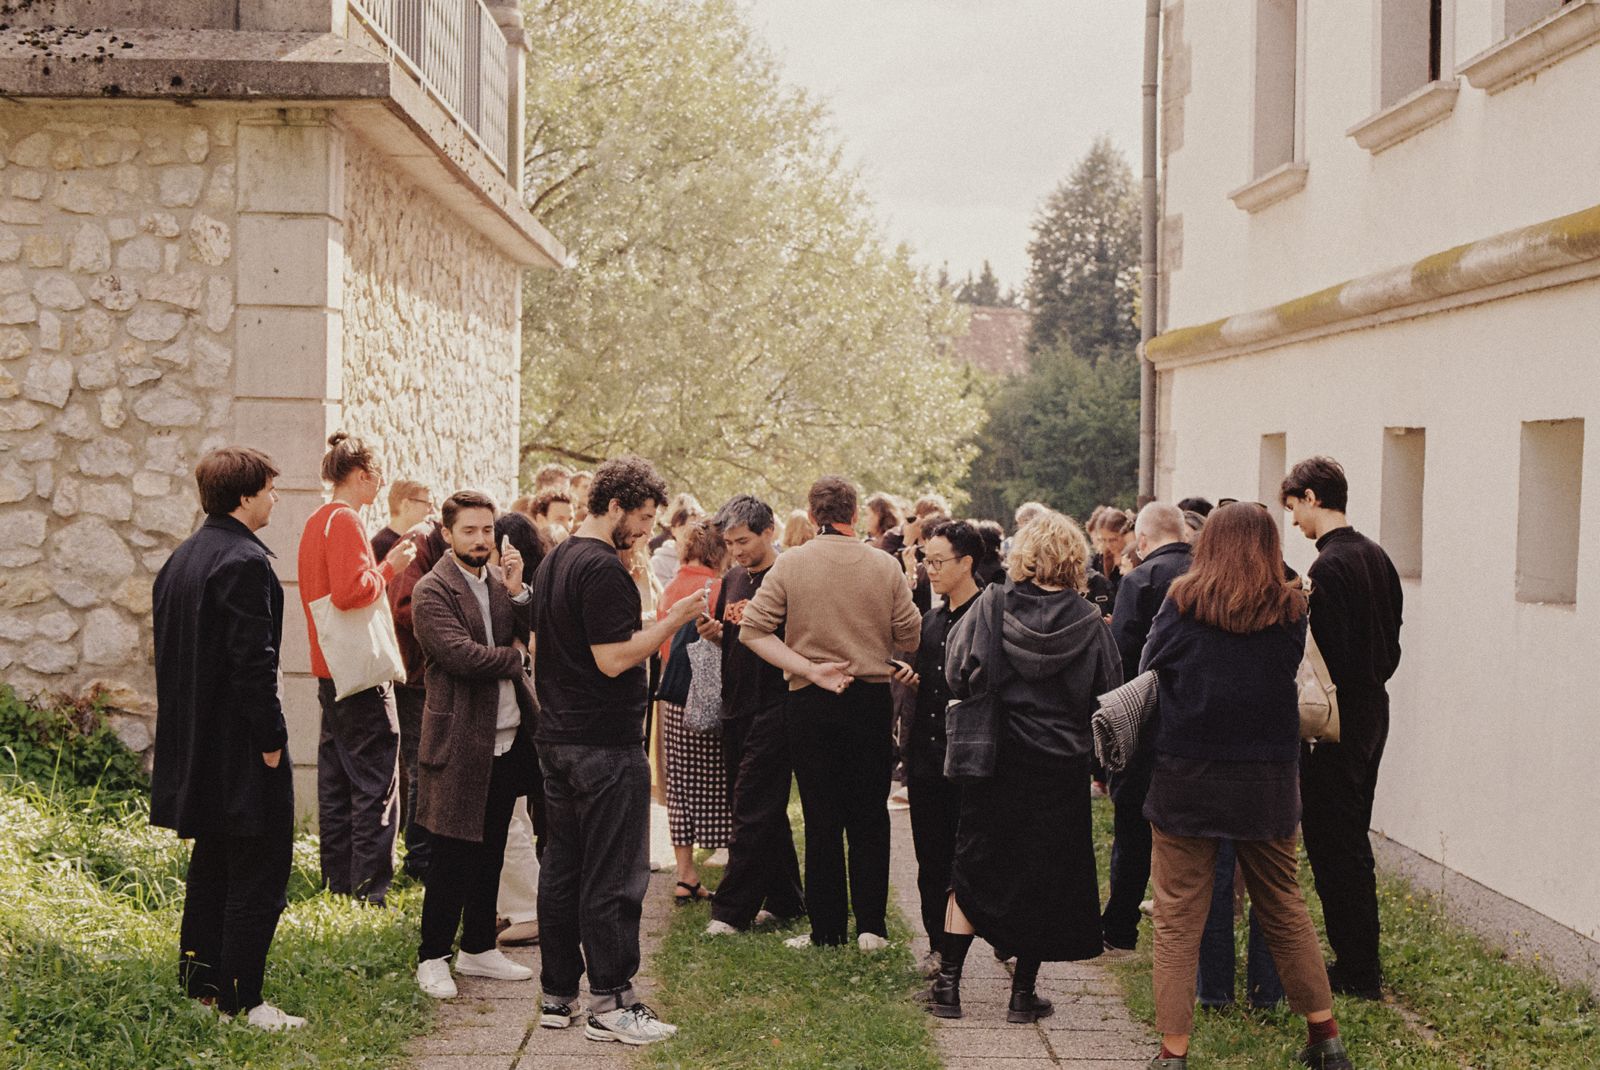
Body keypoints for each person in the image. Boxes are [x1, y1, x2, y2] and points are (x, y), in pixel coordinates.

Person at [1137, 502, 1352, 1070]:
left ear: (1207, 544)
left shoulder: (1182, 600)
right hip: (1267, 778)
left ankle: (1173, 1053)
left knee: (1177, 917)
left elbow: (1151, 665)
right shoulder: (1290, 607)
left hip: (1188, 772)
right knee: (1283, 905)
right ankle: (1326, 1040)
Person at [531, 456, 706, 1045]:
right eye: (646, 516)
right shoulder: (601, 567)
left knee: (563, 868)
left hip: (558, 737)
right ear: (615, 506)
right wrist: (674, 620)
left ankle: (558, 997)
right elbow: (612, 658)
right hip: (602, 743)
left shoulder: (556, 558)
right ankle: (612, 1001)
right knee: (613, 874)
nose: (650, 529)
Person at [927, 510, 1119, 1024]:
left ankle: (947, 988)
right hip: (1059, 766)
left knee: (971, 868)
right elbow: (1110, 689)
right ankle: (1022, 996)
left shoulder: (989, 605)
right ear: (1074, 559)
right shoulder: (1089, 621)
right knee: (1041, 873)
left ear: (1025, 555)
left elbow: (956, 671)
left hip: (995, 758)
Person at [150, 446, 304, 1031]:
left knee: (212, 865)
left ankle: (201, 991)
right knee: (257, 872)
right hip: (242, 749)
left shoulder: (183, 558)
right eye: (269, 489)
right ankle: (244, 1001)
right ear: (244, 497)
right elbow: (253, 664)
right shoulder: (243, 561)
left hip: (199, 747)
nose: (274, 498)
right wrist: (271, 741)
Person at [739, 476, 921, 950]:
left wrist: (808, 667)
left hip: (809, 699)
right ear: (855, 513)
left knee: (821, 816)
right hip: (869, 698)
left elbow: (753, 631)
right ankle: (872, 928)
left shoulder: (792, 563)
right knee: (869, 815)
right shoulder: (883, 565)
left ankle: (827, 930)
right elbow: (910, 636)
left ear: (812, 512)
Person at [1281, 456, 1403, 1001]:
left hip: (1337, 719)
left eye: (1293, 508)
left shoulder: (1328, 569)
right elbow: (1392, 643)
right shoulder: (1377, 556)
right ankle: (1360, 959)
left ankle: (1357, 968)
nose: (1293, 523)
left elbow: (1323, 657)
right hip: (1373, 708)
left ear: (1311, 497)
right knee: (1351, 835)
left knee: (1335, 844)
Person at [409, 491, 539, 999]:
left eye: (487, 530)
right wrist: (515, 659)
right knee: (451, 853)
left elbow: (529, 630)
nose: (481, 539)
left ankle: (480, 948)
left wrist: (519, 591)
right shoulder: (432, 590)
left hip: (508, 737)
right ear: (447, 534)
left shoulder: (497, 582)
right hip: (460, 739)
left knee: (492, 850)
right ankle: (432, 956)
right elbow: (460, 656)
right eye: (470, 530)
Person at [297, 432, 416, 905]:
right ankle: (370, 891)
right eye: (378, 474)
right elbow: (351, 592)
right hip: (360, 672)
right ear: (362, 476)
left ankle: (338, 884)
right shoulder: (346, 521)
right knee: (376, 780)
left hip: (331, 668)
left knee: (337, 780)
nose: (381, 483)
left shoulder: (316, 520)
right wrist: (391, 566)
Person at [701, 495, 807, 936]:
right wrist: (716, 633)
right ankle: (786, 901)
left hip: (776, 704)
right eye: (730, 542)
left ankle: (730, 912)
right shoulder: (732, 579)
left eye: (743, 541)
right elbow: (740, 636)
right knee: (763, 810)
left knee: (751, 807)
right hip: (736, 706)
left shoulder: (789, 577)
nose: (737, 550)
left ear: (769, 531)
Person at [886, 520, 986, 978]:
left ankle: (973, 940)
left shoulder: (989, 618)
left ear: (966, 563)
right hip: (927, 758)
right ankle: (938, 947)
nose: (929, 570)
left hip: (969, 761)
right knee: (930, 859)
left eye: (938, 561)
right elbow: (928, 682)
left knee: (970, 860)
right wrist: (912, 679)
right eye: (926, 561)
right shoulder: (931, 621)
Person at [1102, 503, 1192, 956]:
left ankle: (1119, 925)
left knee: (1132, 827)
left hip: (1147, 719)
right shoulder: (1205, 573)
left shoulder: (1140, 579)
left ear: (1141, 539)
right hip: (1193, 719)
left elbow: (1121, 658)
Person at [655, 519, 734, 904]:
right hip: (709, 697)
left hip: (673, 699)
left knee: (681, 788)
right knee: (723, 782)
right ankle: (734, 861)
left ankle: (685, 874)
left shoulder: (670, 586)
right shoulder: (717, 588)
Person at [493, 510, 551, 949]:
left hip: (518, 713)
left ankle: (530, 908)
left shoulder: (523, 590)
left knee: (511, 816)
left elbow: (524, 641)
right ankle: (508, 905)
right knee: (503, 816)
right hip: (507, 713)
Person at [389, 518, 446, 881]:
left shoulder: (434, 543)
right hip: (415, 676)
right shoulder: (422, 541)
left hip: (427, 672)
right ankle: (419, 862)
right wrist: (448, 624)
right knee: (421, 766)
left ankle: (425, 858)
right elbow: (403, 604)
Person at [649, 494, 704, 588]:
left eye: (699, 528)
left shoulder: (706, 557)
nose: (693, 534)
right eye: (686, 528)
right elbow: (662, 594)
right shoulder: (659, 561)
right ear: (674, 529)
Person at [372, 479, 434, 563]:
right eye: (428, 504)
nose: (432, 511)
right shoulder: (381, 547)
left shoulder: (414, 542)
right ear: (406, 505)